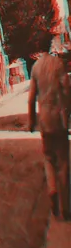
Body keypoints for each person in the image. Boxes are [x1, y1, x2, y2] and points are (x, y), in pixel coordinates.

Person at [29, 49, 71, 220]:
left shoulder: (36, 67)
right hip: (59, 120)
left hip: (45, 121)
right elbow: (67, 90)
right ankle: (66, 207)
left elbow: (32, 97)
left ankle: (52, 189)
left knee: (48, 158)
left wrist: (31, 120)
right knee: (63, 162)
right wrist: (68, 112)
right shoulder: (58, 64)